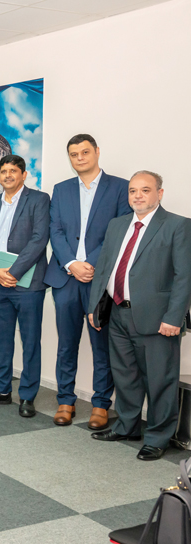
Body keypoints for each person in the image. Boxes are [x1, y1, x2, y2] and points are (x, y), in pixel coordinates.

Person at [87, 171, 191, 461]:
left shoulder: (177, 226)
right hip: (118, 313)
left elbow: (185, 277)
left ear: (160, 193)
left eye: (145, 190)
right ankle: (127, 426)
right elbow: (104, 268)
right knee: (125, 376)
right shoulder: (118, 225)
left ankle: (159, 437)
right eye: (133, 191)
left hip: (158, 320)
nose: (138, 196)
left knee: (160, 380)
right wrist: (94, 306)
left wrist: (174, 317)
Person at [45, 134, 131, 429]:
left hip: (100, 280)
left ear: (96, 152)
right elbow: (55, 231)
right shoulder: (61, 189)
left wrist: (90, 263)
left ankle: (100, 404)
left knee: (101, 345)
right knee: (66, 345)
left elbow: (119, 231)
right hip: (65, 278)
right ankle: (65, 400)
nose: (79, 157)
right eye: (73, 154)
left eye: (84, 152)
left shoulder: (120, 188)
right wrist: (71, 263)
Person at [0, 154, 50, 418]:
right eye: (3, 171)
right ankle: (1, 389)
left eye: (13, 171)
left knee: (30, 343)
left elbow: (39, 240)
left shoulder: (39, 200)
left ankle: (27, 396)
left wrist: (14, 272)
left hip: (27, 284)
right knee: (1, 341)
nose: (7, 175)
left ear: (23, 174)